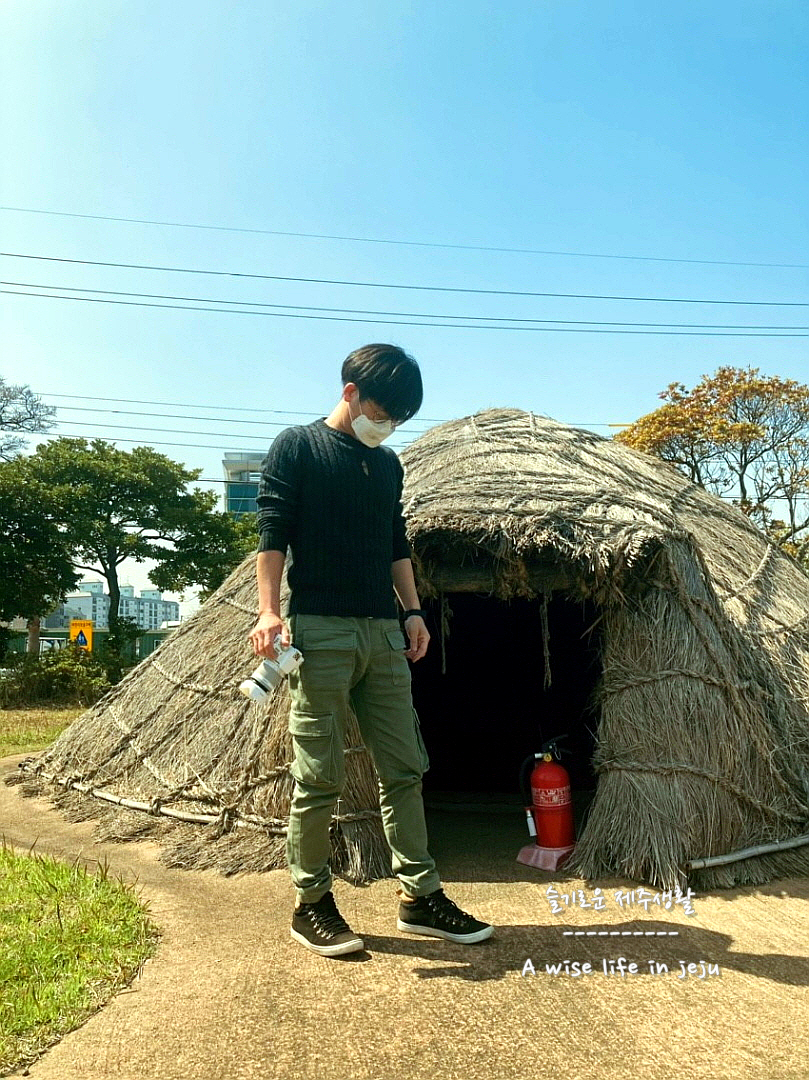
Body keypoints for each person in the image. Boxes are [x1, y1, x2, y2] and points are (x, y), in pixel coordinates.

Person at [249, 343, 493, 957]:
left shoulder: (386, 466)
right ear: (350, 391)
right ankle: (311, 903)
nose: (386, 427)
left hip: (382, 631)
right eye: (382, 412)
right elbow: (272, 533)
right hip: (320, 629)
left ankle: (420, 896)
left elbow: (395, 541)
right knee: (318, 775)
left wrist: (412, 611)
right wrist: (269, 610)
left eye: (398, 422)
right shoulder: (297, 447)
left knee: (405, 766)